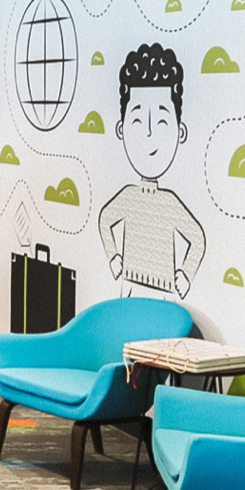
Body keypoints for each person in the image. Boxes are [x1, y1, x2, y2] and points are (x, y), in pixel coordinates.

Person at [96, 42, 207, 298]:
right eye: (137, 120)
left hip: (164, 292)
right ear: (122, 128)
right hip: (130, 285)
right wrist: (113, 256)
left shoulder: (169, 203)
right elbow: (105, 219)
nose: (148, 133)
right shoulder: (129, 196)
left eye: (161, 121)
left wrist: (185, 274)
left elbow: (197, 238)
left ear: (179, 131)